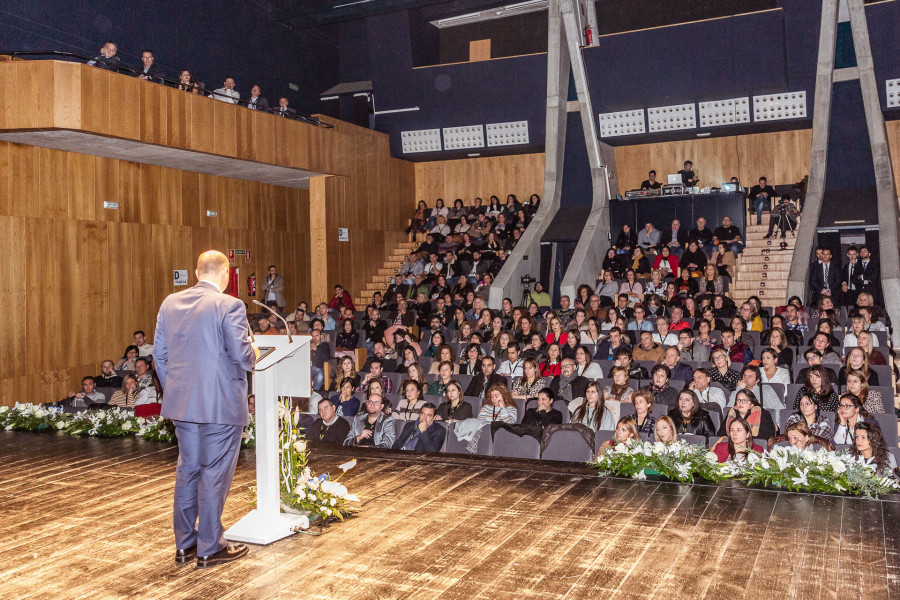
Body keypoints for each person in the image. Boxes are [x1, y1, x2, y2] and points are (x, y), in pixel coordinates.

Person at [153, 250, 256, 568]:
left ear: (197, 272)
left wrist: (177, 390)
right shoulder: (230, 305)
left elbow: (159, 355)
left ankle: (185, 546)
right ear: (225, 273)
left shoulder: (170, 303)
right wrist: (253, 347)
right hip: (220, 404)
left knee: (188, 471)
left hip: (182, 405)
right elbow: (243, 357)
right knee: (213, 473)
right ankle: (210, 546)